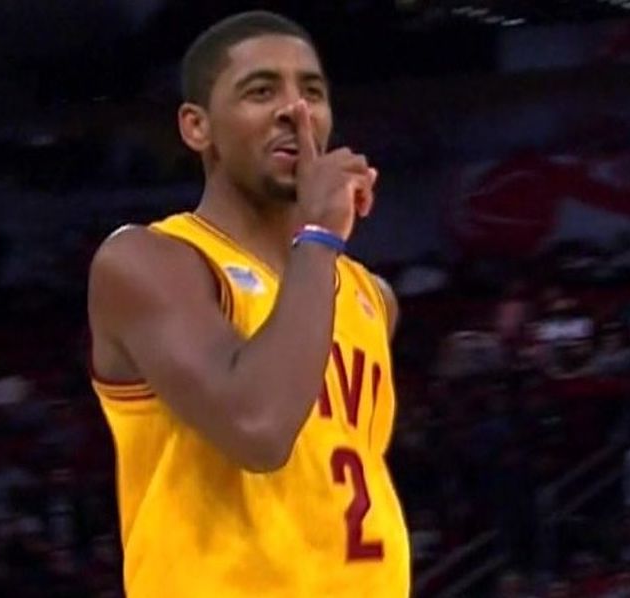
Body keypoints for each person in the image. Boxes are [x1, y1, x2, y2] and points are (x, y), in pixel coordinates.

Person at [86, 11, 409, 597]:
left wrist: (318, 249)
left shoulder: (370, 296)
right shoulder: (147, 261)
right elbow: (258, 430)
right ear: (197, 127)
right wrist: (319, 236)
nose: (295, 110)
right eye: (261, 91)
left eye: (312, 92)